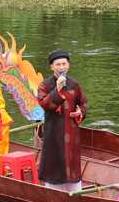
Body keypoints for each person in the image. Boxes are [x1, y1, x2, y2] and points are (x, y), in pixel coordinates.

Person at [37, 49, 88, 191]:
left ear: (68, 65)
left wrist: (80, 112)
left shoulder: (74, 84)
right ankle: (53, 194)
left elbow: (83, 102)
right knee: (54, 160)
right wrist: (57, 89)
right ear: (51, 67)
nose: (61, 67)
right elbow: (45, 104)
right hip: (53, 131)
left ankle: (75, 193)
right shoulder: (45, 85)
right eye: (58, 64)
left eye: (64, 64)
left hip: (71, 132)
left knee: (71, 161)